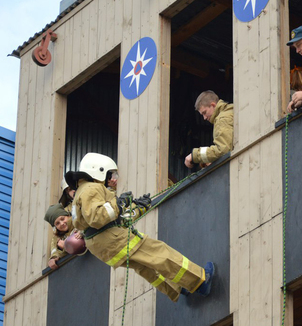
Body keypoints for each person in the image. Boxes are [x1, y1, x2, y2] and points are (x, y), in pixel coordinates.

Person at [65, 152, 215, 302]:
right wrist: (119, 203)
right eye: (109, 174)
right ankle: (199, 281)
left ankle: (178, 288)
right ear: (98, 170)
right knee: (158, 252)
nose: (110, 179)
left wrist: (137, 207)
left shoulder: (80, 192)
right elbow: (97, 217)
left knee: (144, 265)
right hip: (110, 238)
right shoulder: (91, 188)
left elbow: (109, 221)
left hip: (102, 245)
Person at [184, 91, 234, 169]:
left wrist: (194, 156)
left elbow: (223, 150)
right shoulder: (230, 112)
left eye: (204, 112)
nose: (204, 118)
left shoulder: (222, 119)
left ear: (213, 105)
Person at [44, 203, 80, 269]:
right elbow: (56, 254)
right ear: (55, 227)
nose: (62, 223)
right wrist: (53, 258)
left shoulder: (79, 223)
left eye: (62, 219)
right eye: (57, 223)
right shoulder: (56, 239)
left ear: (68, 216)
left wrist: (66, 245)